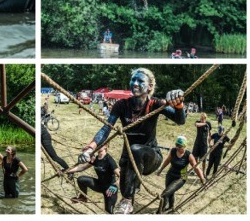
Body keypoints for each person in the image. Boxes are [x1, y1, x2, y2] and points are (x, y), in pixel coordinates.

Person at [77, 67, 186, 214]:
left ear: (150, 87)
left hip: (151, 157)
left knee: (135, 152)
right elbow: (106, 129)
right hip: (127, 161)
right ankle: (129, 203)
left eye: (140, 81)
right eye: (133, 79)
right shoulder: (122, 105)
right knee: (126, 200)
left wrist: (179, 104)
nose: (135, 83)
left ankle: (129, 198)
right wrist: (91, 148)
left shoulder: (155, 104)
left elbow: (180, 120)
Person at [156, 135, 206, 213]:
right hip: (170, 175)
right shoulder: (173, 151)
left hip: (180, 178)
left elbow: (196, 168)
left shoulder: (188, 155)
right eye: (177, 145)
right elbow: (167, 160)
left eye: (180, 146)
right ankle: (171, 207)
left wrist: (202, 179)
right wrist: (160, 169)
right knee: (169, 192)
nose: (178, 148)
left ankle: (159, 213)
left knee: (165, 194)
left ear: (184, 146)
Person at [67, 143, 119, 214]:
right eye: (98, 144)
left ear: (106, 146)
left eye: (102, 144)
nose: (99, 145)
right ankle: (83, 197)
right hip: (99, 185)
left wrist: (114, 186)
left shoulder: (109, 160)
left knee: (108, 211)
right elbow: (82, 167)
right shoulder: (96, 158)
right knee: (81, 179)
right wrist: (66, 170)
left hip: (110, 189)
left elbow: (121, 176)